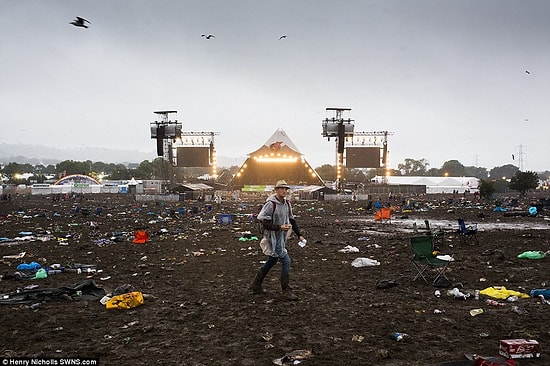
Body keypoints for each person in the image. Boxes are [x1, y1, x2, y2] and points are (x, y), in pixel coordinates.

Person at [251, 180, 305, 301]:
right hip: (272, 237)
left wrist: (299, 235)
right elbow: (264, 222)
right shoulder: (271, 204)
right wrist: (279, 227)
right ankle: (285, 289)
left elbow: (292, 220)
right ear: (276, 190)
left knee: (272, 260)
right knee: (286, 260)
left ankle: (256, 284)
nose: (284, 191)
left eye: (286, 189)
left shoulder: (287, 204)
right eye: (282, 189)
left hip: (280, 237)